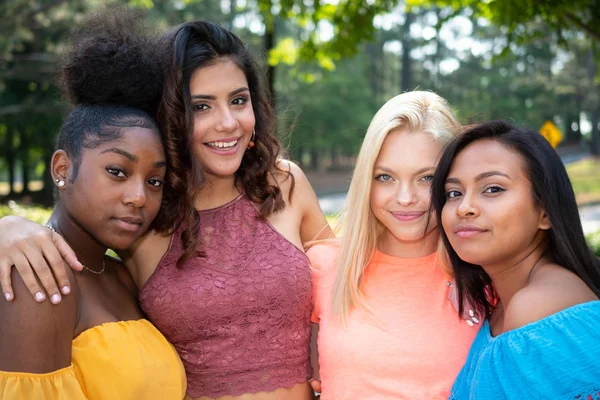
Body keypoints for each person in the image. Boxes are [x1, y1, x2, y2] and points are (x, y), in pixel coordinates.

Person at [0, 17, 331, 400]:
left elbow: (343, 285)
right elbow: (82, 216)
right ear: (173, 115)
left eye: (239, 101)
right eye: (201, 106)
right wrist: (9, 227)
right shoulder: (148, 217)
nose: (228, 122)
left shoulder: (285, 183)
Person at [0, 12, 187, 400]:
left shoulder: (122, 275)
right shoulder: (37, 276)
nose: (139, 197)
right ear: (62, 168)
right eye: (118, 171)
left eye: (154, 181)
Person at [307, 91, 480, 399]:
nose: (404, 198)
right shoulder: (323, 267)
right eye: (385, 177)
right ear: (365, 180)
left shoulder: (485, 276)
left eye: (426, 178)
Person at [430, 120, 600, 398]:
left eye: (493, 189)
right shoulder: (502, 308)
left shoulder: (536, 307)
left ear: (544, 211)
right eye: (454, 193)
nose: (464, 207)